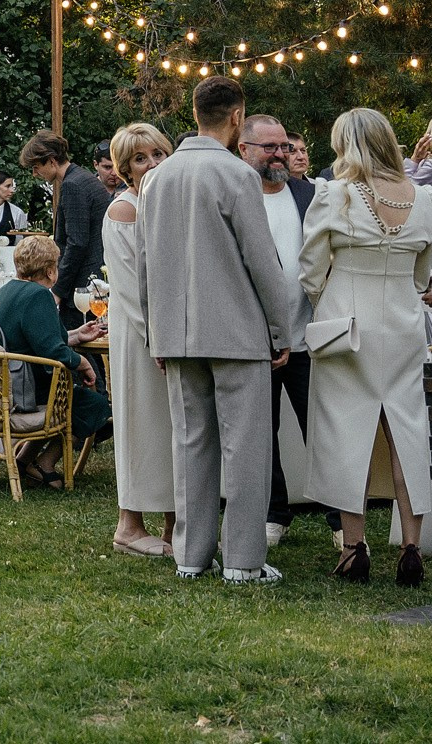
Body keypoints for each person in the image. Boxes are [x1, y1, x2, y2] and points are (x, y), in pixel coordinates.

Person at [136, 76, 294, 584]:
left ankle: (190, 555)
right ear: (235, 118)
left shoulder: (156, 178)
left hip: (177, 334)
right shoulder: (236, 175)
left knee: (191, 444)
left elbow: (143, 265)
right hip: (237, 330)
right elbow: (262, 262)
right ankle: (244, 561)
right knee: (244, 448)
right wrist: (280, 329)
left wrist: (154, 332)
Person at [300, 108, 432, 587]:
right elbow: (424, 275)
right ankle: (411, 547)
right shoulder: (424, 198)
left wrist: (328, 299)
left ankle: (354, 548)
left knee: (346, 432)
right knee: (407, 432)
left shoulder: (332, 194)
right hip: (403, 325)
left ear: (345, 145)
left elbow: (311, 268)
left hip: (346, 323)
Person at [239, 112, 319, 546]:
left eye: (285, 146)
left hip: (309, 337)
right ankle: (275, 512)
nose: (281, 154)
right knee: (262, 432)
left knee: (319, 429)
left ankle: (339, 519)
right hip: (256, 340)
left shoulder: (311, 195)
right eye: (270, 147)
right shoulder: (237, 195)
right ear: (244, 150)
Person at [0, 233, 109, 488]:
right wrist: (82, 363)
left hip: (0, 385)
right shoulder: (39, 296)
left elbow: (34, 339)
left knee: (68, 398)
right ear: (50, 271)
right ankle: (44, 464)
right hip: (23, 392)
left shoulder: (8, 291)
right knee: (94, 404)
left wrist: (76, 335)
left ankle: (25, 460)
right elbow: (52, 352)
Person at [102, 121, 175, 557]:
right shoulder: (124, 209)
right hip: (140, 334)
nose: (151, 165)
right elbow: (131, 289)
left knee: (174, 429)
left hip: (172, 329)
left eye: (157, 155)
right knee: (141, 423)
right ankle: (129, 525)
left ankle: (174, 524)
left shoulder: (166, 202)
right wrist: (156, 340)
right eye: (139, 159)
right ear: (125, 169)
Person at [21, 130, 116, 324]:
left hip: (83, 289)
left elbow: (77, 243)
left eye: (36, 166)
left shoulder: (73, 185)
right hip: (95, 284)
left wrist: (58, 290)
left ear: (52, 160)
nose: (35, 173)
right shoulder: (83, 179)